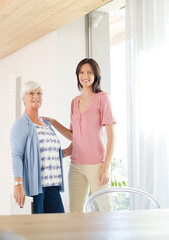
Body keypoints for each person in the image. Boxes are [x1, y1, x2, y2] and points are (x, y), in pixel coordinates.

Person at [44, 58, 116, 212]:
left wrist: (106, 167)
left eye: (89, 72)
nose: (85, 76)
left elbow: (112, 136)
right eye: (82, 72)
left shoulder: (103, 98)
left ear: (96, 75)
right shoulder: (74, 102)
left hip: (97, 164)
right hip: (76, 165)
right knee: (75, 213)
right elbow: (74, 136)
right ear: (77, 75)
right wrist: (54, 122)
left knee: (106, 210)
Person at [10, 81, 65, 214]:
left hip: (53, 184)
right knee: (36, 231)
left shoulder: (46, 123)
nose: (36, 96)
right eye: (31, 93)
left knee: (58, 228)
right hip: (36, 187)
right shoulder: (22, 123)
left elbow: (46, 153)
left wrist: (69, 150)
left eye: (39, 93)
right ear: (24, 98)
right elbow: (17, 155)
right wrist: (18, 185)